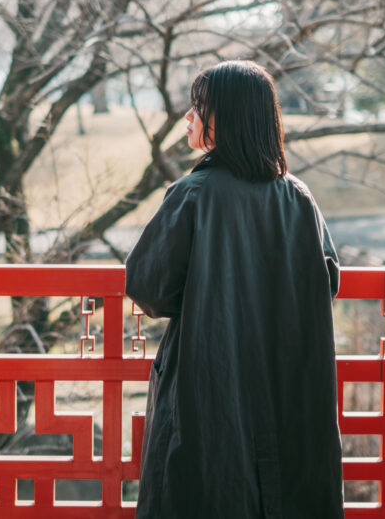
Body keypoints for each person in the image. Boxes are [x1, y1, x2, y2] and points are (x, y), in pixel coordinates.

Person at [125, 60, 343, 518]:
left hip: (209, 384)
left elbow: (148, 288)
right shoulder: (299, 199)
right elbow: (330, 280)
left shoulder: (193, 194)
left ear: (227, 118)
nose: (188, 117)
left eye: (198, 107)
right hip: (288, 384)